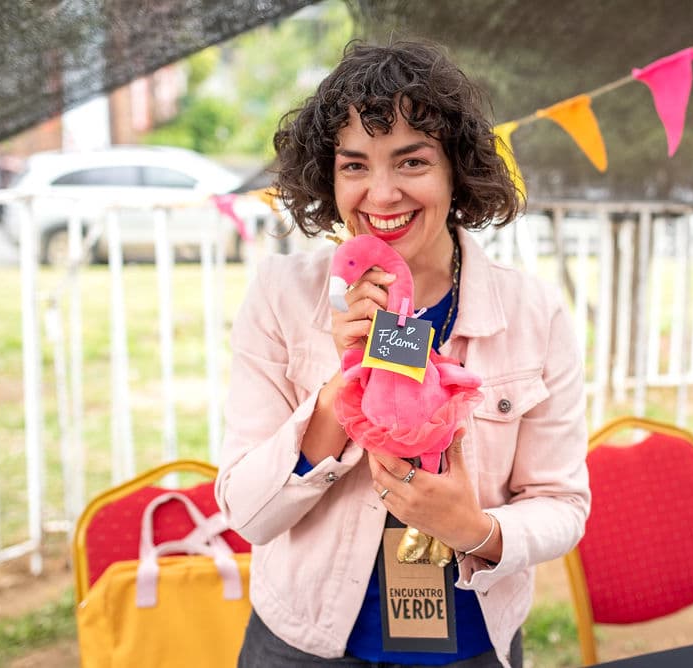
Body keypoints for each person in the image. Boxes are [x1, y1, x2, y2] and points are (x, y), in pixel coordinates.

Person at [216, 40, 590, 668]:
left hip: (471, 649)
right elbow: (246, 514)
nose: (382, 194)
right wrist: (343, 383)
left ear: (455, 170)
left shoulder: (534, 314)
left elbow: (563, 504)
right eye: (355, 166)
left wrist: (478, 530)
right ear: (328, 176)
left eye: (411, 162)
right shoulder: (280, 298)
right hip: (302, 647)